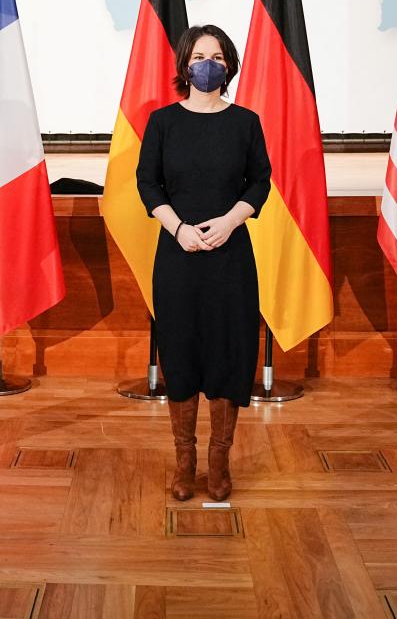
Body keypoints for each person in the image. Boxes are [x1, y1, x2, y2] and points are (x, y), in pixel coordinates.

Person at [136, 25, 270, 502]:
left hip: (230, 257)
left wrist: (232, 221)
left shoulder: (246, 122)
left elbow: (259, 182)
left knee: (228, 353)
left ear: (229, 65)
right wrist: (178, 228)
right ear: (184, 65)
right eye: (199, 56)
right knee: (181, 352)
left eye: (216, 56)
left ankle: (218, 465)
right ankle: (184, 465)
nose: (207, 64)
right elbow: (148, 184)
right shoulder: (162, 122)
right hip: (177, 257)